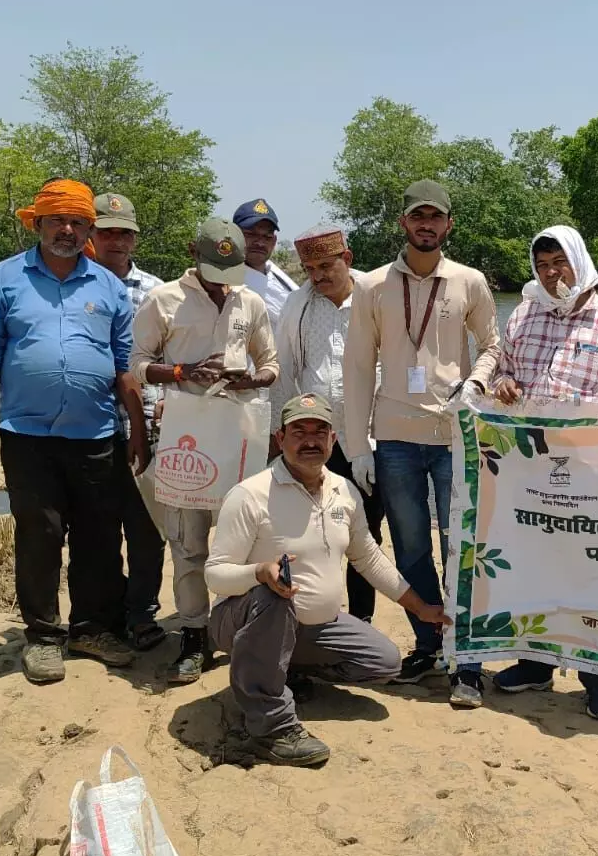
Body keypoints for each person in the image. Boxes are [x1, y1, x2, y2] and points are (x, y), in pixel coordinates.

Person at [0, 178, 143, 684]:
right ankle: (43, 636)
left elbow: (124, 366)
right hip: (27, 436)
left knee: (101, 538)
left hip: (97, 434)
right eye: (57, 220)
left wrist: (137, 431)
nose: (67, 229)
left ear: (90, 228)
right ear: (37, 223)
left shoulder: (108, 287)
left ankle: (91, 628)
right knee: (39, 535)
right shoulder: (3, 280)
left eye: (78, 221)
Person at [206, 394, 448, 766]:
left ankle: (282, 669)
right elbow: (216, 574)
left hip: (314, 625)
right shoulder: (249, 495)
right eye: (298, 431)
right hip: (245, 620)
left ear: (333, 440)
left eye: (319, 432)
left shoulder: (344, 491)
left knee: (383, 662)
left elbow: (367, 557)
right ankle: (269, 727)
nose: (310, 440)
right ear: (279, 439)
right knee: (273, 598)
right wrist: (258, 572)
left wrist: (422, 608)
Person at [343, 179, 501, 707]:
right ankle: (429, 643)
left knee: (461, 547)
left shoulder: (469, 281)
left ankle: (467, 661)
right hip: (394, 439)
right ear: (403, 223)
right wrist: (358, 443)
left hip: (454, 436)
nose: (426, 225)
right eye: (417, 217)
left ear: (449, 224)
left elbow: (493, 346)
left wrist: (476, 381)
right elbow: (359, 366)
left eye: (435, 217)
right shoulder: (370, 286)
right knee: (410, 548)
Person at [489, 225, 598, 719]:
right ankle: (535, 663)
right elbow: (501, 372)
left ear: (579, 260)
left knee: (596, 571)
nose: (552, 274)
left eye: (560, 262)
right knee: (536, 567)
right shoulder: (523, 316)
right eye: (542, 266)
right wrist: (505, 383)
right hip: (531, 469)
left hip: (594, 474)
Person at [131, 218, 278, 685]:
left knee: (243, 538)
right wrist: (181, 372)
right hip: (184, 433)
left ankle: (234, 628)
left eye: (230, 270)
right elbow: (136, 365)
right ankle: (193, 635)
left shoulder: (250, 301)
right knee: (187, 542)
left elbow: (271, 363)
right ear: (193, 255)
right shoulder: (164, 300)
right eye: (215, 269)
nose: (223, 281)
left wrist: (252, 378)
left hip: (236, 434)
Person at [273, 224, 386, 621]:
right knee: (307, 531)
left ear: (347, 259)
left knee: (366, 535)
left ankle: (361, 622)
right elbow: (285, 371)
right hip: (315, 439)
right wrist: (280, 434)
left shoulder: (377, 296)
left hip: (371, 438)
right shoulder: (297, 306)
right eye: (309, 269)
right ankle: (311, 620)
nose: (318, 276)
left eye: (326, 265)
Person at [91, 191, 168, 651]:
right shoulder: (75, 284)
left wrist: (162, 406)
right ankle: (105, 614)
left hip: (146, 429)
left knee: (145, 529)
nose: (117, 240)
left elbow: (169, 357)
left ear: (135, 239)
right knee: (97, 527)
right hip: (91, 428)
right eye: (108, 232)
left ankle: (141, 614)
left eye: (125, 233)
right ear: (92, 235)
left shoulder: (157, 291)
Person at [232, 197, 298, 330]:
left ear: (274, 241)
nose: (260, 243)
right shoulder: (224, 284)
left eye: (267, 237)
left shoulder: (275, 272)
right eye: (251, 234)